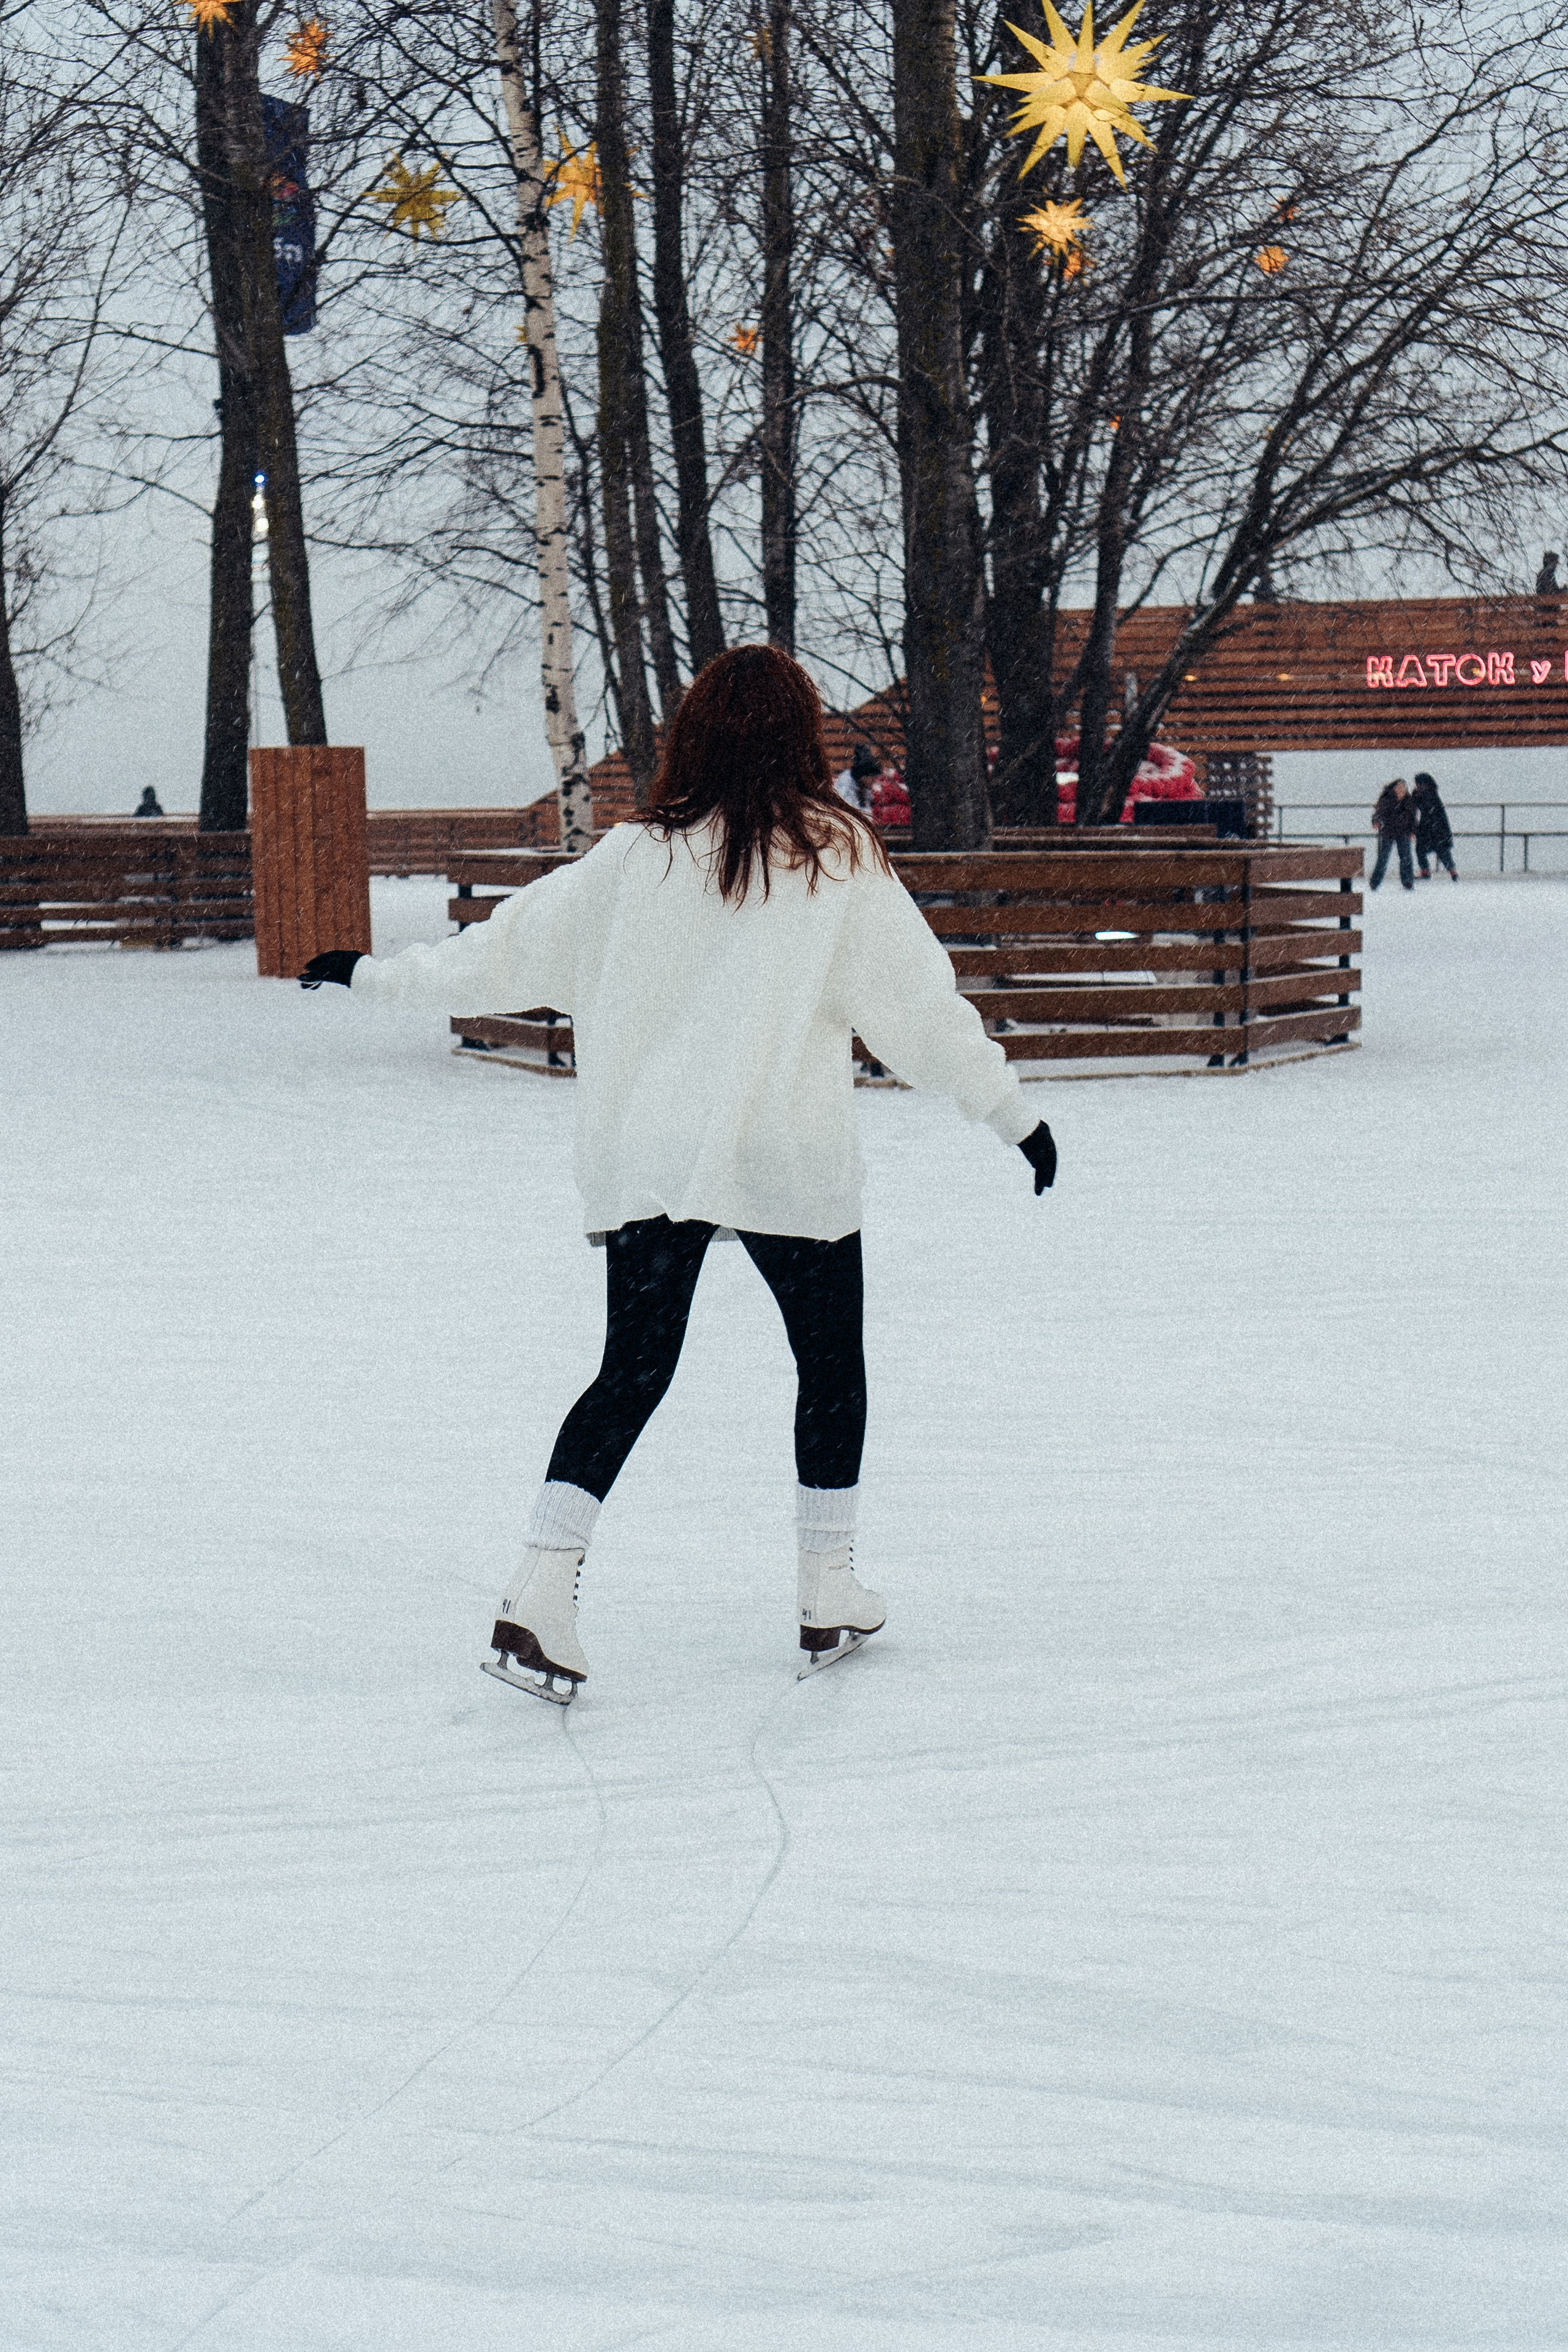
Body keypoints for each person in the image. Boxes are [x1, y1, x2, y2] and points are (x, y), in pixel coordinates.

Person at [300, 646, 1057, 1702]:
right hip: (786, 1159)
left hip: (657, 1158)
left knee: (633, 1371)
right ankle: (826, 1586)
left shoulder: (632, 862)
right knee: (830, 1367)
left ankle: (539, 1590)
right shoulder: (836, 855)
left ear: (693, 735)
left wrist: (371, 976)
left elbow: (498, 959)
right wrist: (1010, 1114)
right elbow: (918, 1015)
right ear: (804, 738)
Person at [1370, 777, 1417, 890]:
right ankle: (1375, 882)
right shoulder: (1387, 799)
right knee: (1383, 858)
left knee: (1406, 858)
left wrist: (1413, 832)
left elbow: (1413, 818)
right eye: (1399, 787)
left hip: (1403, 832)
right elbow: (1379, 813)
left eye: (1403, 788)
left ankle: (1408, 881)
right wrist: (1376, 822)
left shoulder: (1409, 801)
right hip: (1388, 832)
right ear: (1394, 788)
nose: (1401, 790)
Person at [1411, 772, 1458, 881]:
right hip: (1436, 827)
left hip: (1431, 827)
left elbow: (1422, 807)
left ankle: (1426, 871)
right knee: (1441, 850)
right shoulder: (1431, 793)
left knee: (1425, 849)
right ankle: (1452, 871)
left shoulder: (1426, 794)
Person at [833, 741, 881, 812]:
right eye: (872, 777)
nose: (874, 781)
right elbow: (849, 813)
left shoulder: (863, 788)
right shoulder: (846, 787)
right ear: (863, 776)